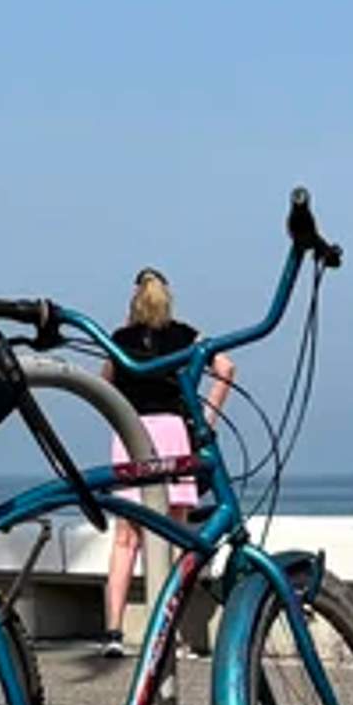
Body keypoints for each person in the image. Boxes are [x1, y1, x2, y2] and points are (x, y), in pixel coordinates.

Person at [102, 268, 236, 656]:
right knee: (173, 538)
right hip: (173, 435)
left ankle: (113, 632)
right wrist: (206, 416)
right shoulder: (183, 335)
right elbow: (226, 368)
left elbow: (103, 382)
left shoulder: (119, 339)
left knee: (126, 539)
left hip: (132, 433)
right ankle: (167, 634)